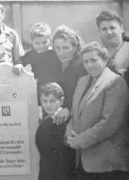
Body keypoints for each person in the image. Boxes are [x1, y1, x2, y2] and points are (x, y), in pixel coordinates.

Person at [66, 41, 129, 180]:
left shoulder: (115, 82)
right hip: (83, 161)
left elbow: (109, 123)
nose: (89, 65)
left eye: (94, 60)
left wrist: (79, 141)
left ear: (105, 59)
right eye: (86, 62)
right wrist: (69, 136)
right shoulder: (82, 81)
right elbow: (74, 113)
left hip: (106, 163)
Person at [35, 82, 72, 180]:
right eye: (44, 101)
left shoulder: (65, 121)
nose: (47, 105)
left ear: (61, 101)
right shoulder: (45, 121)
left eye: (52, 101)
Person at [52, 25, 87, 124]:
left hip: (76, 115)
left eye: (66, 48)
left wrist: (68, 109)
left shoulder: (81, 65)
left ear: (75, 47)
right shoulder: (53, 61)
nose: (61, 53)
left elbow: (83, 94)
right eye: (57, 48)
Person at [96, 10, 129, 80]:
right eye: (104, 29)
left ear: (122, 28)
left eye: (112, 28)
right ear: (99, 32)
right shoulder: (97, 53)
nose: (109, 32)